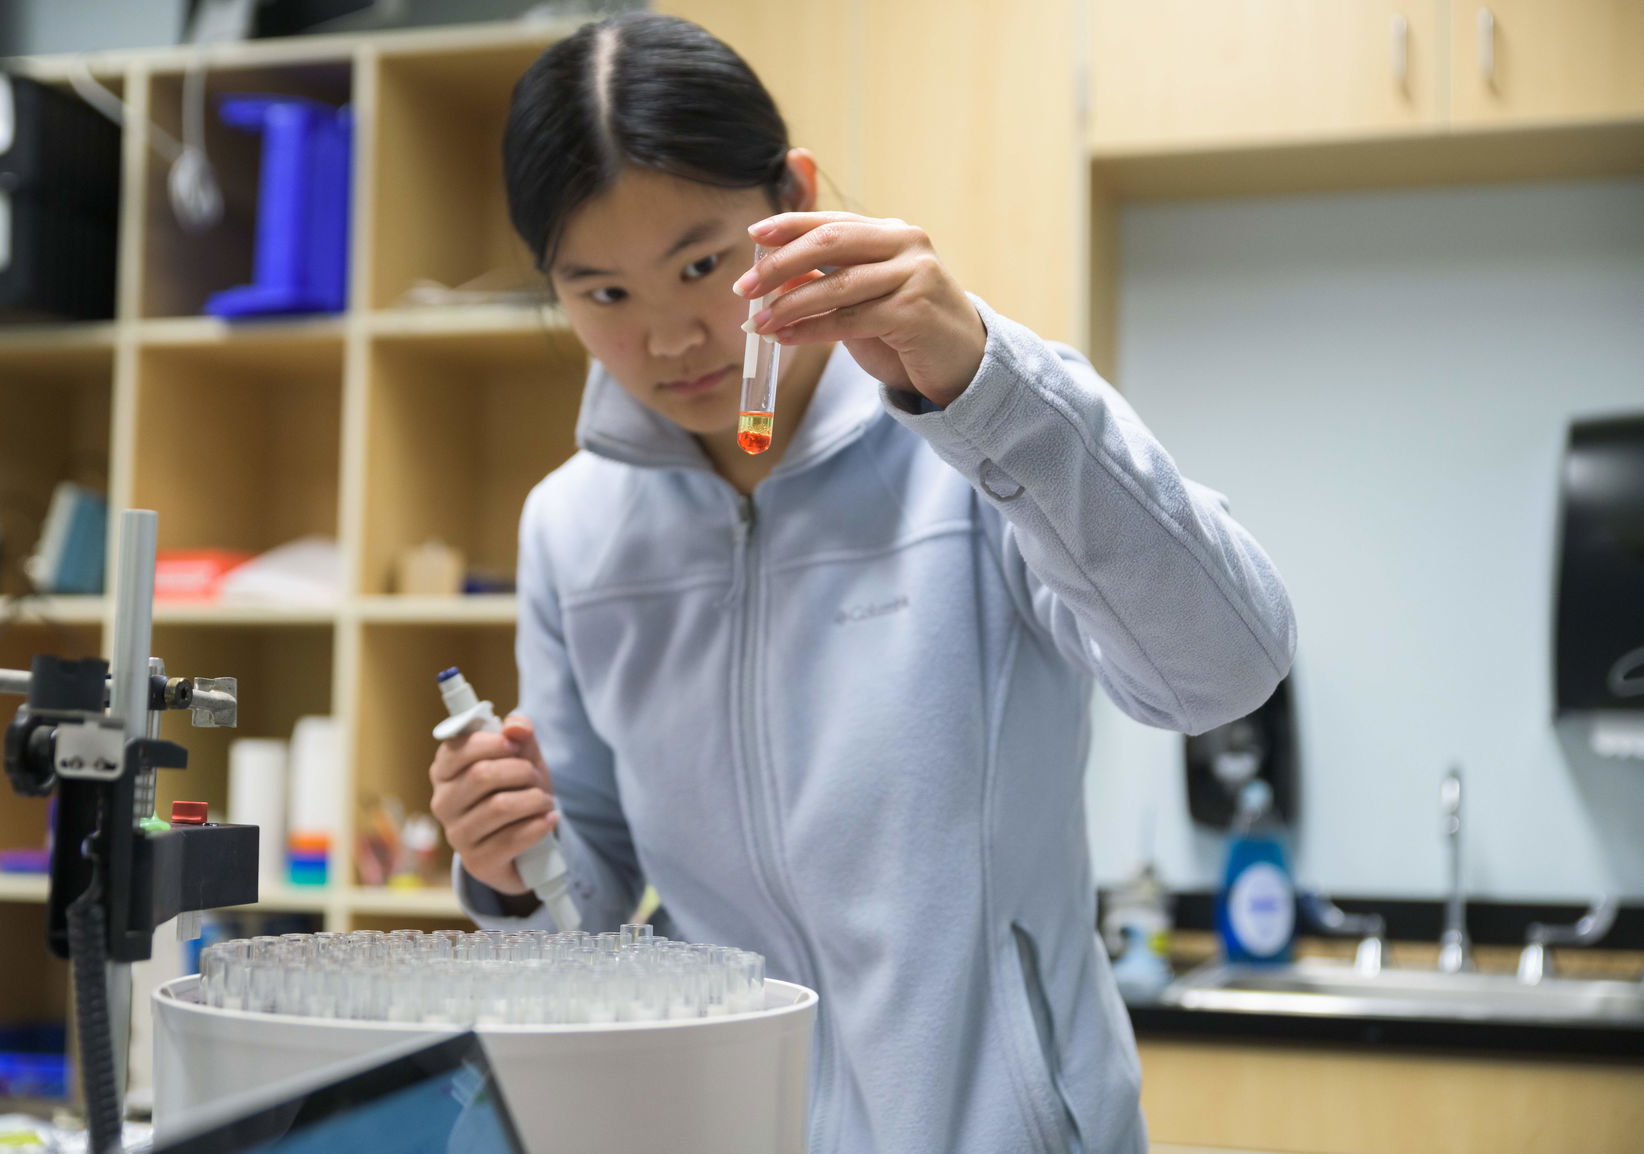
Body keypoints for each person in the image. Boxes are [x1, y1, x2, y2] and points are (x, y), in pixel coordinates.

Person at [429, 13, 1295, 1153]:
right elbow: (584, 904)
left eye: (702, 263)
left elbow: (1224, 668)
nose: (673, 334)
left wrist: (987, 384)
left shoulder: (976, 439)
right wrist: (505, 865)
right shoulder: (572, 528)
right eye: (602, 295)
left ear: (791, 195)